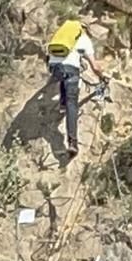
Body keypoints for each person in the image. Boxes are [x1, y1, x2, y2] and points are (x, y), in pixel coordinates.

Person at [46, 19, 108, 157]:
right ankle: (72, 142)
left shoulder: (62, 36)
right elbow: (95, 67)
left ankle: (62, 104)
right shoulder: (84, 39)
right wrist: (103, 78)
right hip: (71, 70)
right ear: (84, 29)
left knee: (64, 79)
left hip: (54, 68)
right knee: (72, 102)